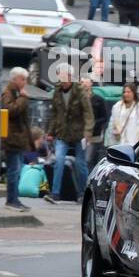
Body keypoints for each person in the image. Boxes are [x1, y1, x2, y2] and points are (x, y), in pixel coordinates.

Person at [45, 66, 92, 203]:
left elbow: (88, 114)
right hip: (62, 132)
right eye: (61, 79)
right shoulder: (57, 91)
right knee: (59, 160)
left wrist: (87, 133)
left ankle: (83, 193)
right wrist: (50, 131)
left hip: (79, 133)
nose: (63, 82)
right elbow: (54, 113)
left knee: (80, 164)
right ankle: (55, 193)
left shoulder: (80, 91)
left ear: (71, 78)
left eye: (65, 79)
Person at [1, 68, 32, 211]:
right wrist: (23, 98)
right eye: (23, 79)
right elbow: (10, 111)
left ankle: (15, 199)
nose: (25, 82)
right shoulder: (8, 93)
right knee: (14, 171)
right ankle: (11, 200)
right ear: (15, 79)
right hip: (12, 139)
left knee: (17, 170)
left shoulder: (17, 93)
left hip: (18, 138)